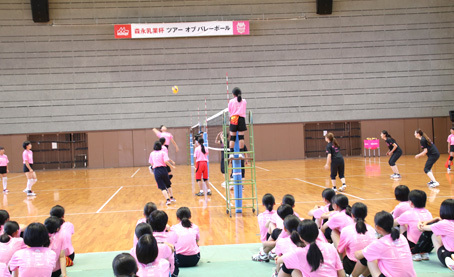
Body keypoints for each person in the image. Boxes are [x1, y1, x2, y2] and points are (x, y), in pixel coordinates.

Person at [355, 211, 416, 277]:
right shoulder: (402, 237)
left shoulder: (380, 243)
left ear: (378, 227)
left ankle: (352, 276)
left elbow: (358, 255)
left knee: (369, 259)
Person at [277, 219, 345, 277]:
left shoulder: (298, 253)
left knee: (288, 265)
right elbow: (341, 273)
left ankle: (276, 273)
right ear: (317, 233)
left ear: (300, 237)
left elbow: (278, 260)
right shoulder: (330, 247)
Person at [337, 202, 376, 277]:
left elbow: (340, 250)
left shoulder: (346, 230)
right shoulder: (372, 230)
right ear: (366, 215)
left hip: (352, 266)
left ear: (352, 215)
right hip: (369, 268)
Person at [395, 190, 433, 261]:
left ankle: (414, 252)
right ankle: (423, 253)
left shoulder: (408, 213)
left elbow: (394, 223)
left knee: (401, 225)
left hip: (414, 246)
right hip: (428, 247)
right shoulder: (428, 213)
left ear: (411, 203)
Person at [417, 199, 454, 271]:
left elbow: (422, 228)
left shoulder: (443, 224)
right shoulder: (443, 223)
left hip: (447, 253)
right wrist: (436, 219)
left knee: (434, 234)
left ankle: (417, 251)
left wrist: (421, 222)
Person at [228, 87, 247, 156]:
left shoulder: (231, 101)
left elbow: (230, 111)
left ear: (233, 94)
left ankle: (231, 154)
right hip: (241, 119)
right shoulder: (244, 101)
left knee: (232, 137)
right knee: (241, 137)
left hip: (233, 118)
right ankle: (241, 154)